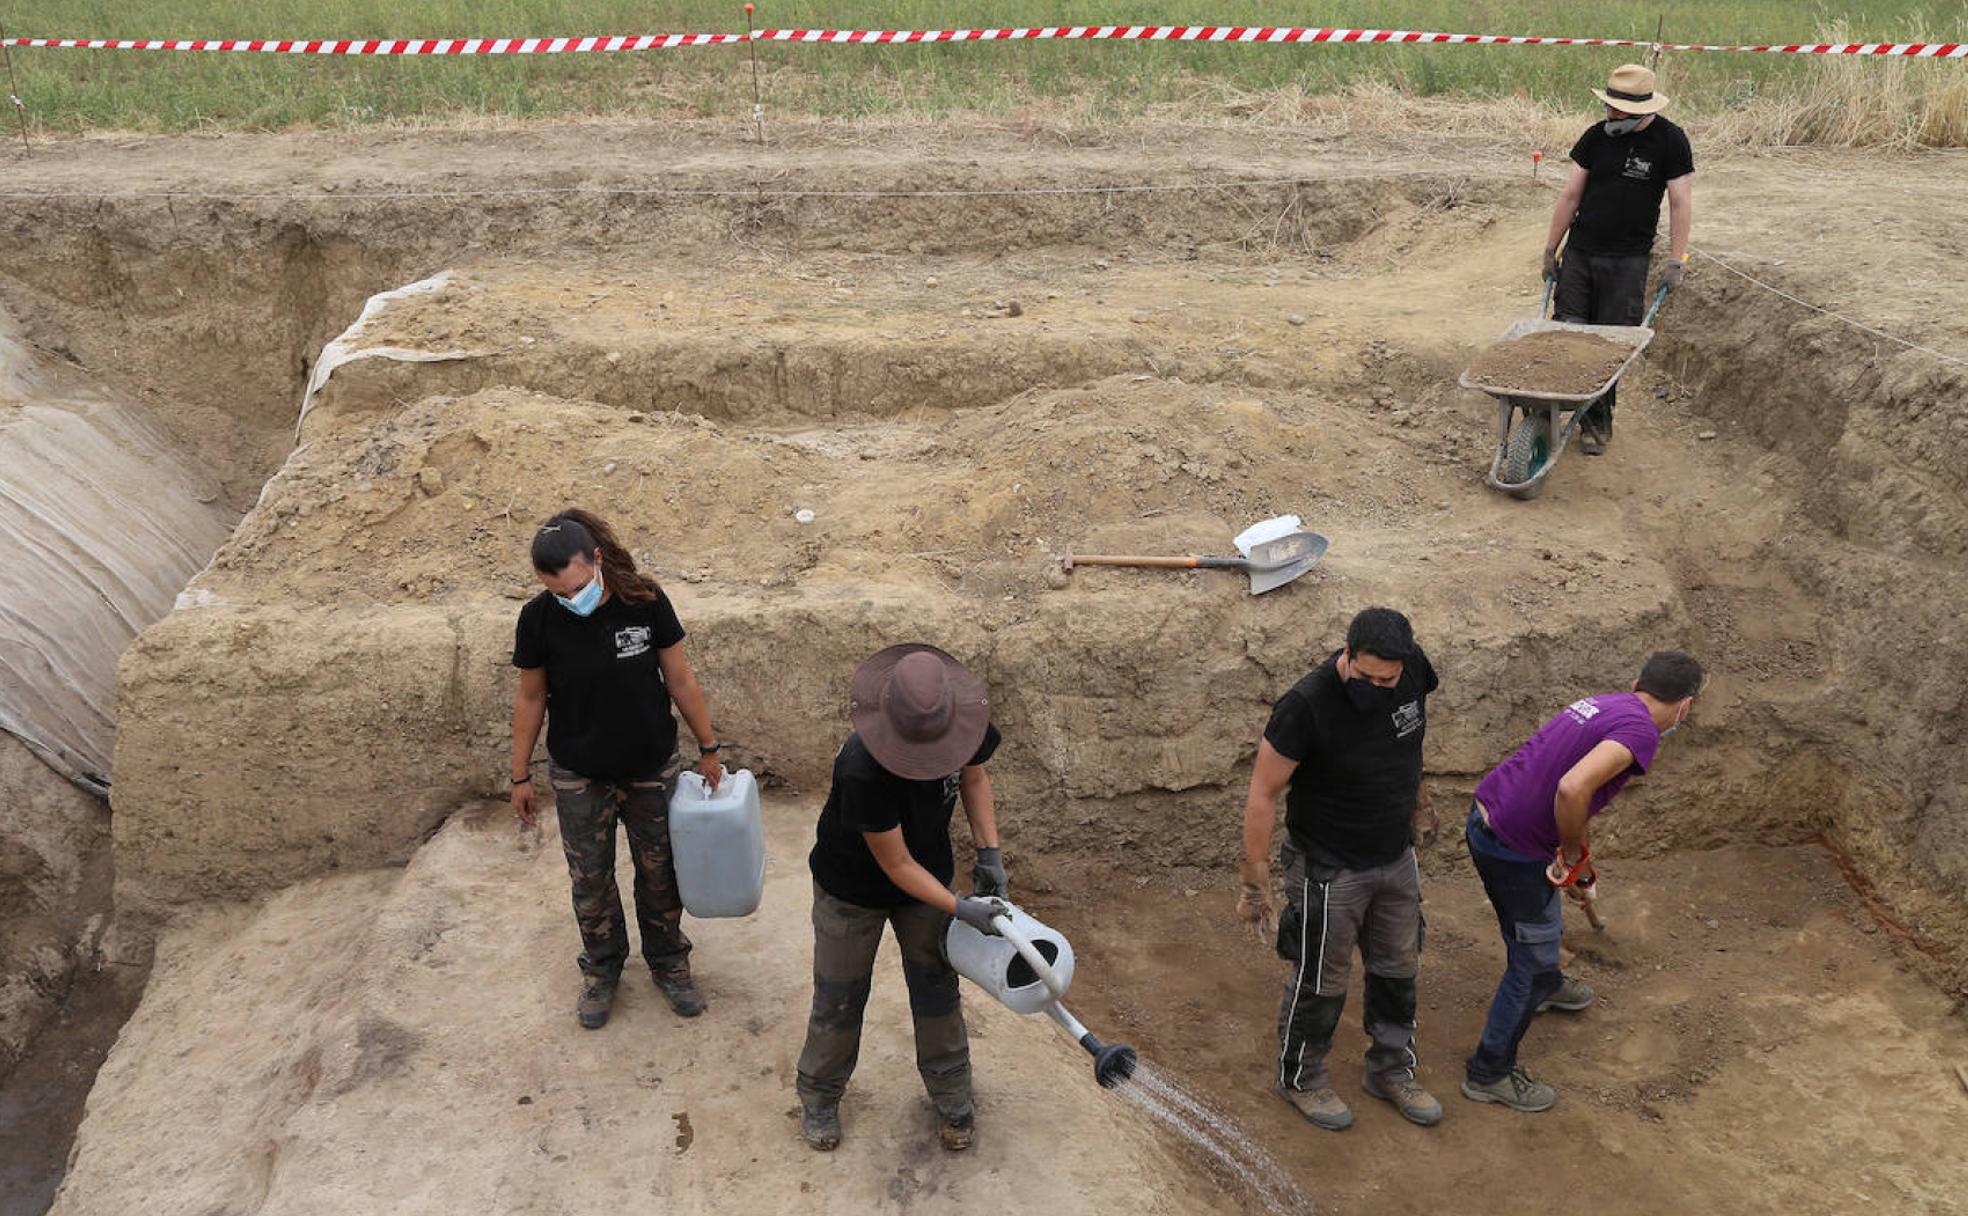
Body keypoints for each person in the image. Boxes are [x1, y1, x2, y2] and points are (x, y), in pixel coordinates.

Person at [510, 508, 726, 1030]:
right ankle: (602, 970)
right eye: (558, 592)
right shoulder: (538, 619)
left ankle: (670, 963)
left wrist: (709, 745)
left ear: (597, 560)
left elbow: (679, 679)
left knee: (660, 874)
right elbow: (531, 697)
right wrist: (519, 774)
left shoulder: (645, 603)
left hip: (649, 765)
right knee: (591, 880)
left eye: (577, 587)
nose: (569, 600)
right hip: (579, 771)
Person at [1461, 650, 1704, 1113]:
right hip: (1511, 846)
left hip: (1491, 815)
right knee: (1528, 956)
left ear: (1637, 681)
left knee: (1538, 926)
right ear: (1685, 706)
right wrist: (1571, 855)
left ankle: (1549, 984)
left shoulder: (1606, 704)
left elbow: (1577, 799)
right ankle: (1489, 1072)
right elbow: (1573, 788)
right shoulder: (1640, 732)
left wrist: (1578, 859)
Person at [796, 643, 1009, 1155]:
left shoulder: (967, 722)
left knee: (937, 988)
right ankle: (819, 1095)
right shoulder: (862, 765)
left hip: (927, 874)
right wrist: (960, 908)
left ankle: (953, 1092)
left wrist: (991, 854)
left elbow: (976, 778)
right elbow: (895, 865)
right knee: (840, 996)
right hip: (853, 888)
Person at [1237, 608, 1443, 1132]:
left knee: (1399, 969)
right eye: (1366, 675)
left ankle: (1392, 1070)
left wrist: (1419, 799)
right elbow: (1262, 793)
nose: (1376, 687)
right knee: (1321, 980)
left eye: (1387, 680)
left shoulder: (1414, 669)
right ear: (1346, 653)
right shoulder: (1306, 706)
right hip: (1328, 866)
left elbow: (1412, 739)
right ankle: (1300, 1077)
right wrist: (1254, 879)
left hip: (1395, 855)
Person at [1542, 63, 1694, 455]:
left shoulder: (1670, 141)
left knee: (1608, 345)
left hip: (1627, 261)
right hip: (1580, 252)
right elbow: (1570, 195)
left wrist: (1676, 259)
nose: (1609, 114)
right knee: (1567, 332)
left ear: (1642, 110)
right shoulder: (1595, 136)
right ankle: (1551, 410)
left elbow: (1680, 201)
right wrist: (1550, 248)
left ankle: (1596, 422)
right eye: (1608, 106)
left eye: (1617, 109)